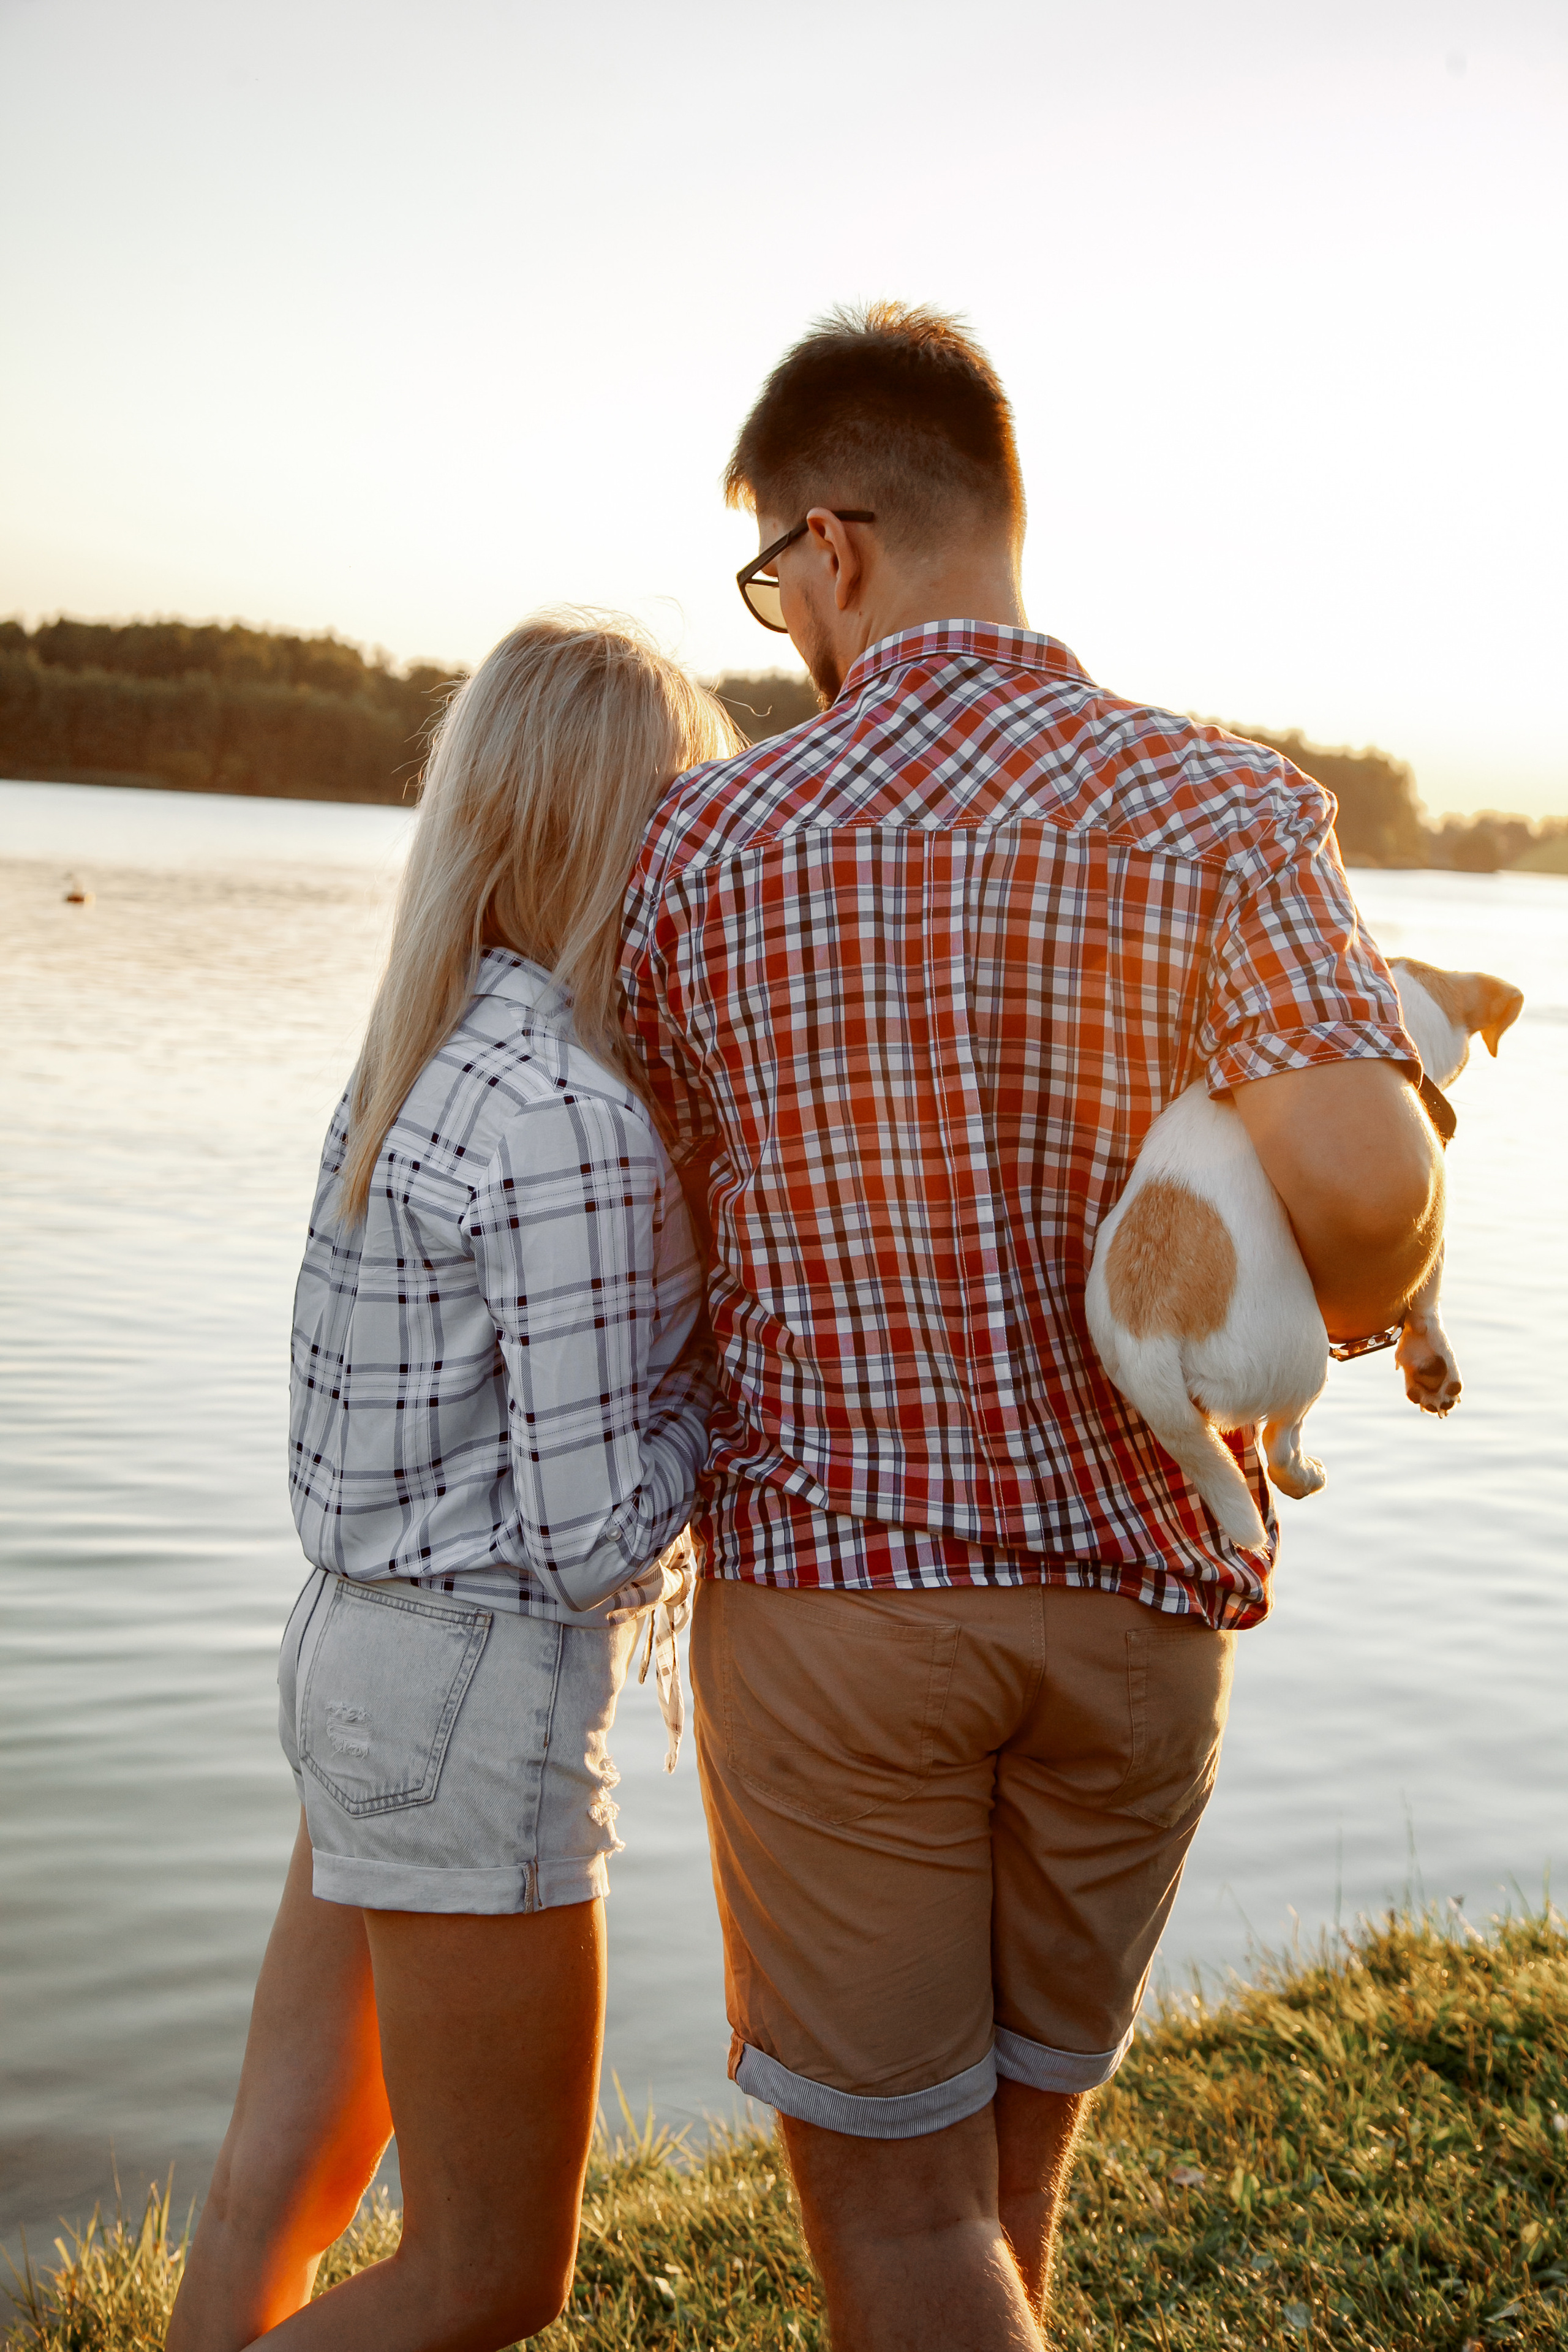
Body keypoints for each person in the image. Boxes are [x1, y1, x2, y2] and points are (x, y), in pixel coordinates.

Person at [619, 305, 1446, 2351]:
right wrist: (1351, 1311)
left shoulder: (713, 843)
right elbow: (1362, 1200)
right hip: (1141, 1610)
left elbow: (648, 1225)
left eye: (769, 576)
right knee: (1004, 2196)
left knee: (902, 2237)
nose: (782, 617)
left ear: (835, 546)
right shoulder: (1227, 814)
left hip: (843, 1602)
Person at [167, 617, 736, 2352]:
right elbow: (586, 1540)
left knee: (292, 2169)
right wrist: (729, 1403)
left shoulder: (418, 1051)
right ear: (629, 833)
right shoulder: (573, 1108)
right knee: (494, 2271)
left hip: (351, 1650)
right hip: (468, 1692)